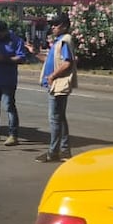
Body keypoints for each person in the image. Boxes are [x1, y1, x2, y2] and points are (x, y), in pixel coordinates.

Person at [38, 12, 77, 163]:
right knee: (60, 118)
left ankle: (53, 151)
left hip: (58, 85)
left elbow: (67, 63)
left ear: (64, 26)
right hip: (55, 84)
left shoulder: (65, 41)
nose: (53, 27)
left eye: (56, 25)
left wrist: (53, 76)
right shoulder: (58, 41)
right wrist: (35, 53)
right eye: (52, 25)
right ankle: (64, 150)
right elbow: (51, 60)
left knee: (55, 119)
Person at [0, 20, 27, 146]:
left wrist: (5, 59)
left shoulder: (16, 40)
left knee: (9, 106)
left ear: (5, 31)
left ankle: (13, 135)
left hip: (8, 79)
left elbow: (22, 58)